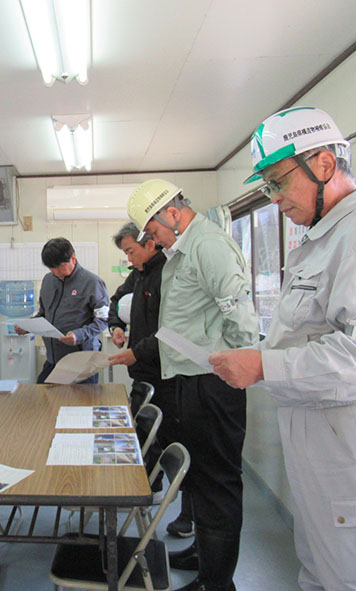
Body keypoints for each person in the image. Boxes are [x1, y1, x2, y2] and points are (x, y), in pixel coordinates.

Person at [210, 106, 356, 591]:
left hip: (355, 435)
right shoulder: (323, 239)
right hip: (324, 429)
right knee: (321, 570)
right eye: (267, 186)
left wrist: (265, 364)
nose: (275, 199)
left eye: (278, 182)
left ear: (325, 165)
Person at [112, 179, 258, 591]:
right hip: (187, 382)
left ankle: (217, 583)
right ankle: (203, 560)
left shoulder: (208, 245)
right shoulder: (183, 249)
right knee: (199, 482)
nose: (153, 240)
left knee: (218, 487)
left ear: (172, 214)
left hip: (213, 383)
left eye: (153, 231)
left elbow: (241, 318)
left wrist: (237, 369)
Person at [107, 222, 193, 536]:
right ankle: (150, 488)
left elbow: (173, 331)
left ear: (150, 243)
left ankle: (187, 514)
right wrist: (116, 327)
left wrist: (137, 352)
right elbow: (115, 302)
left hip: (170, 376)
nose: (129, 258)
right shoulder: (138, 273)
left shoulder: (168, 274)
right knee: (144, 436)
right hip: (142, 374)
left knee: (176, 442)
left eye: (131, 250)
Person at [20, 237, 108, 384]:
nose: (55, 272)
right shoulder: (48, 281)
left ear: (73, 258)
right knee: (44, 399)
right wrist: (27, 326)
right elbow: (43, 315)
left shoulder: (92, 283)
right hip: (54, 359)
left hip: (81, 362)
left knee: (79, 405)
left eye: (59, 266)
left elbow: (103, 320)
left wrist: (78, 335)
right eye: (51, 268)